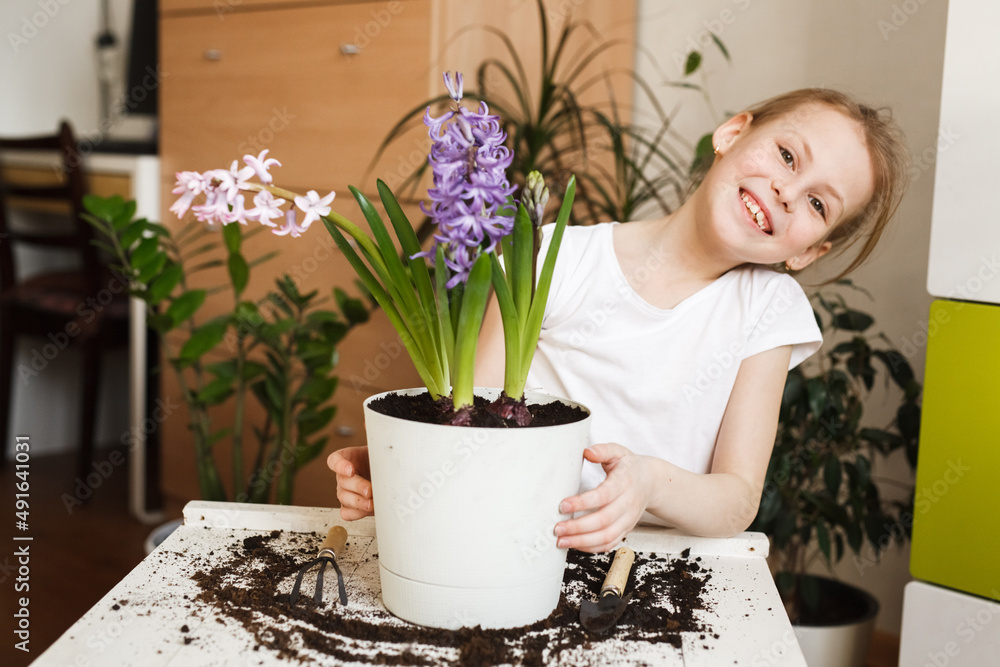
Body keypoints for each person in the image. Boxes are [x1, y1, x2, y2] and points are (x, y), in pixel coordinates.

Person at [329, 88, 909, 553]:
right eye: (787, 155)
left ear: (808, 252)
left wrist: (651, 482)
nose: (787, 191)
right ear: (733, 133)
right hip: (507, 543)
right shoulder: (554, 258)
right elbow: (468, 420)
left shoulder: (767, 310)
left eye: (817, 204)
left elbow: (736, 501)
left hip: (645, 570)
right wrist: (403, 463)